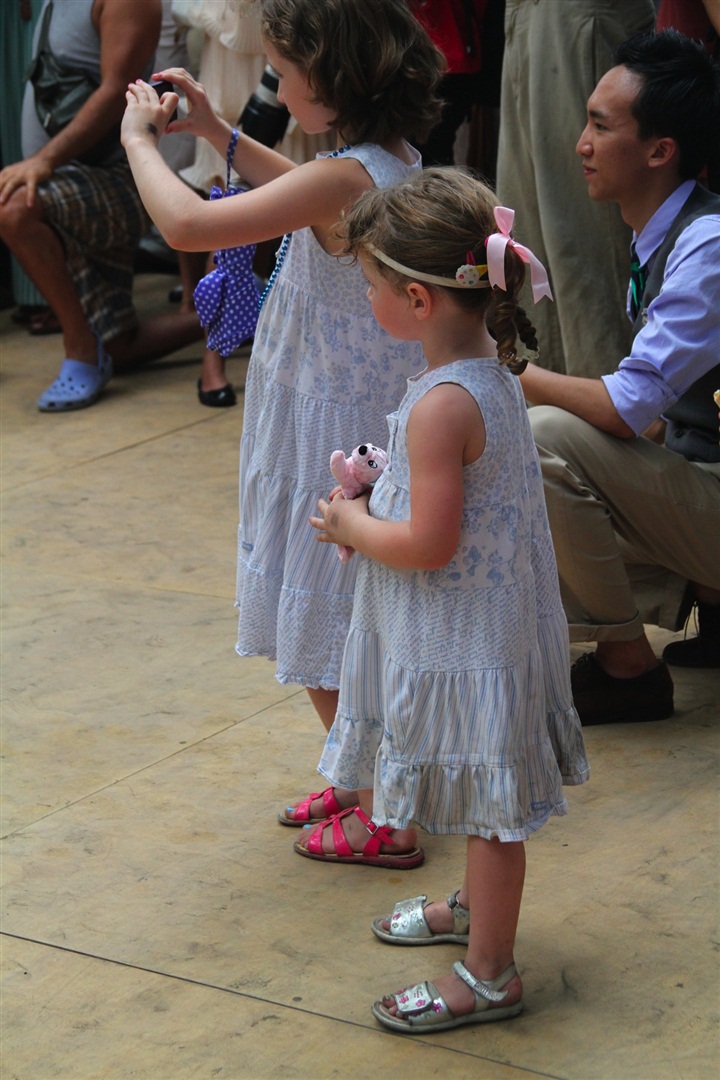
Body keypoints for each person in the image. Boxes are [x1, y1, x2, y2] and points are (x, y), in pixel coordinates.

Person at [300, 167, 588, 1029]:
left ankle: (491, 974)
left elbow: (430, 543)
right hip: (490, 632)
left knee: (494, 817)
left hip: (471, 644)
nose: (369, 298)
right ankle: (471, 909)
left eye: (375, 285)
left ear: (420, 300)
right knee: (480, 801)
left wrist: (353, 528)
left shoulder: (441, 404)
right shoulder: (495, 373)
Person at [120, 0, 443, 767]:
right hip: (348, 404)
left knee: (331, 616)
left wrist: (140, 141)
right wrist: (215, 133)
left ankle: (377, 800)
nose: (279, 85)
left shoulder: (342, 176)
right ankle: (365, 779)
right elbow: (308, 194)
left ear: (329, 83)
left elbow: (187, 229)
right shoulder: (386, 158)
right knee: (347, 611)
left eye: (286, 72)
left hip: (326, 416)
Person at [519, 29, 720, 724]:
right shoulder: (662, 233)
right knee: (524, 521)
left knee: (543, 438)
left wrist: (513, 371)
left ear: (661, 151)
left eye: (601, 127)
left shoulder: (709, 244)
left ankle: (628, 669)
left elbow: (629, 406)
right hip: (701, 479)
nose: (581, 144)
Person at [0, 0, 204, 412]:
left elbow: (116, 93)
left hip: (115, 183)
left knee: (13, 207)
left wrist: (44, 160)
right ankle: (242, 302)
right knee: (122, 348)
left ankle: (80, 349)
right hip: (71, 187)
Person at [496, 0, 656, 378]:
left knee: (586, 244)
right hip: (526, 17)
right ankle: (543, 424)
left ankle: (610, 423)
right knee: (524, 243)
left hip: (582, 17)